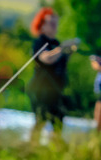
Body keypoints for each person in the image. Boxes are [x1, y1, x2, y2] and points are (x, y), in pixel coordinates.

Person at [26, 8, 80, 143]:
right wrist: (62, 48)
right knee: (41, 120)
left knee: (58, 122)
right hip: (41, 90)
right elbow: (46, 58)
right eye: (51, 23)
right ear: (42, 25)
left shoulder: (55, 43)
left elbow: (62, 62)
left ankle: (54, 152)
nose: (55, 27)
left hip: (56, 90)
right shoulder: (39, 42)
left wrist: (71, 50)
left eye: (56, 23)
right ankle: (32, 148)